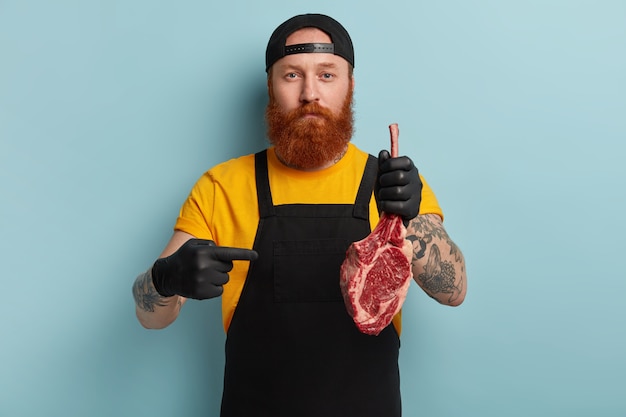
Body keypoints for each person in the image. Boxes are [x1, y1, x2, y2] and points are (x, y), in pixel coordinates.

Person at [132, 13, 466, 417]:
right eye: (292, 75)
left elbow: (454, 292)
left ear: (350, 86)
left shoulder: (392, 182)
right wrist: (165, 278)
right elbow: (150, 317)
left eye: (327, 75)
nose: (310, 93)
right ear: (272, 87)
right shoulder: (222, 186)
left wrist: (410, 220)